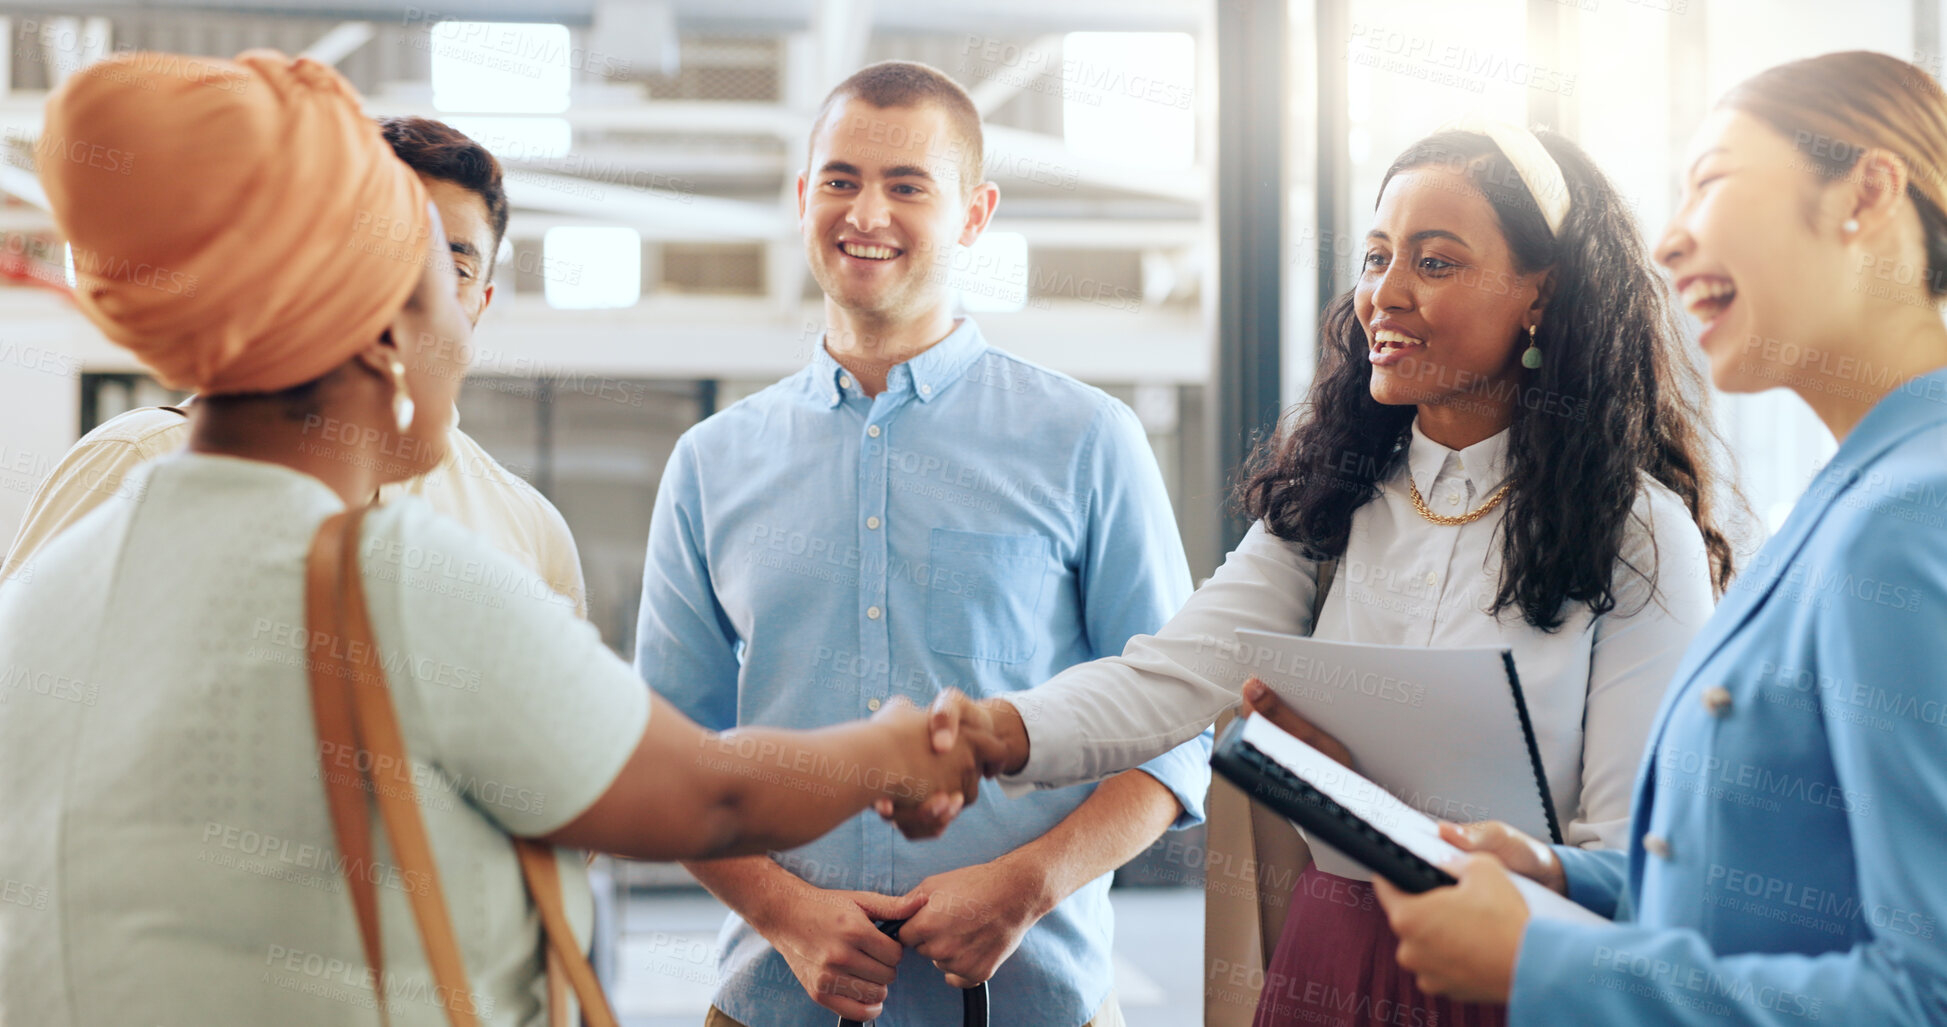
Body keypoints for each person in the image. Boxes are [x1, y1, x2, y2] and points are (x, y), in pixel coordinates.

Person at [0, 49, 977, 1027]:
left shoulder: (48, 592)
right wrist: (891, 749)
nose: (464, 341)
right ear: (383, 334)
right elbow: (704, 796)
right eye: (436, 293)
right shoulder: (390, 578)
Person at [935, 122, 1746, 1026]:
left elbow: (1636, 863)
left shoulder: (1638, 533)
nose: (1383, 294)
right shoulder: (1333, 499)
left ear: (1539, 297)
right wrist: (990, 734)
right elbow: (1168, 677)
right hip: (1332, 957)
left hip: (1518, 974)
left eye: (1433, 264)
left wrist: (1394, 813)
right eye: (1373, 256)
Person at [1355, 50, 1947, 1027]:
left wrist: (1545, 965)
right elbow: (1771, 897)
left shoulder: (1908, 520)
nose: (1669, 244)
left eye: (1711, 181)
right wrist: (1566, 876)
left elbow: (1923, 996)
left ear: (1868, 192)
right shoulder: (1858, 494)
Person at [635, 60, 1210, 1027]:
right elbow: (662, 755)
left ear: (974, 214)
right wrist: (786, 915)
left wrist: (1025, 886)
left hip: (1034, 1004)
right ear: (802, 194)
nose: (868, 212)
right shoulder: (710, 462)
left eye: (908, 186)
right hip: (775, 1001)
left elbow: (1176, 731)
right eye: (840, 179)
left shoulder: (1086, 440)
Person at [0, 115, 586, 619]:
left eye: (454, 269)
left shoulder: (528, 529)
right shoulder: (136, 463)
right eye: (388, 249)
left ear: (479, 305)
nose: (414, 289)